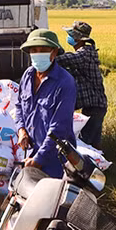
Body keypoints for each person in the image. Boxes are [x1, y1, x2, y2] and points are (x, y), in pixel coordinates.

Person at [14, 29, 78, 178]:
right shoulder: (28, 75)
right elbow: (19, 106)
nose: (38, 54)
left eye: (43, 50)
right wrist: (21, 130)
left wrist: (39, 160)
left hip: (56, 159)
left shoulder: (65, 82)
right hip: (32, 152)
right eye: (34, 50)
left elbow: (59, 129)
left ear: (54, 52)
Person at [56, 20, 108, 148]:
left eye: (71, 35)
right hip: (95, 106)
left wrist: (49, 58)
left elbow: (66, 59)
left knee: (85, 142)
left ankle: (87, 166)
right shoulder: (85, 52)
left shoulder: (84, 53)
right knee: (94, 143)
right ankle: (98, 165)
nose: (69, 38)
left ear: (78, 39)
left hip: (94, 107)